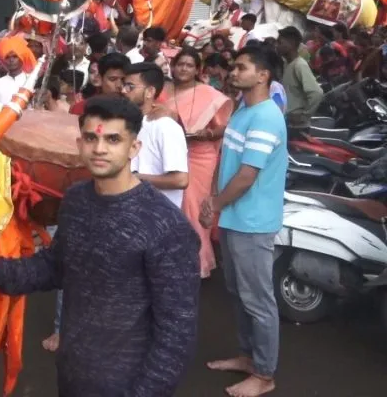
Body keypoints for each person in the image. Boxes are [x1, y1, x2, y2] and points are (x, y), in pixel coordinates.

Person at [0, 96, 200, 396]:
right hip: (71, 373)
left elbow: (177, 331)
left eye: (113, 139)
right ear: (79, 143)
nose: (100, 149)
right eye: (91, 138)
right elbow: (55, 267)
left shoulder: (165, 226)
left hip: (126, 385)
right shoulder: (76, 199)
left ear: (133, 148)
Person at [201, 44, 287, 397]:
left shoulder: (267, 116)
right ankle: (248, 357)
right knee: (238, 294)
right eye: (233, 68)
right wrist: (212, 198)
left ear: (263, 75)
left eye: (241, 67)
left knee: (258, 301)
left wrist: (216, 205)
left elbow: (248, 175)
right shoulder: (241, 109)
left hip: (252, 222)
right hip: (235, 218)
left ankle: (265, 375)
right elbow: (227, 160)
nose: (233, 72)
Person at [160, 48, 233, 279]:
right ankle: (170, 261)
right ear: (173, 66)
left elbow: (224, 127)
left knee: (193, 208)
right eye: (180, 64)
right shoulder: (162, 91)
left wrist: (208, 134)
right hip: (169, 156)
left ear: (197, 70)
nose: (183, 69)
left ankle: (196, 263)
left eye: (189, 65)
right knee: (171, 207)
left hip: (199, 155)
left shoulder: (209, 94)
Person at [122, 63, 189, 208]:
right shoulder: (126, 123)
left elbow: (180, 180)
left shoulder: (165, 126)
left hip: (158, 216)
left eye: (130, 87)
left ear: (149, 91)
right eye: (124, 86)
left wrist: (135, 178)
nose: (123, 91)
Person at [276, 27, 323, 129]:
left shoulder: (299, 65)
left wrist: (304, 116)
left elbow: (316, 93)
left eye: (280, 42)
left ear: (291, 44)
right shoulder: (286, 64)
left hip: (295, 125)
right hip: (286, 120)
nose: (277, 46)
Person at [0, 36, 37, 104]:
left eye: (15, 56)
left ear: (21, 59)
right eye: (7, 57)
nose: (11, 60)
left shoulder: (30, 81)